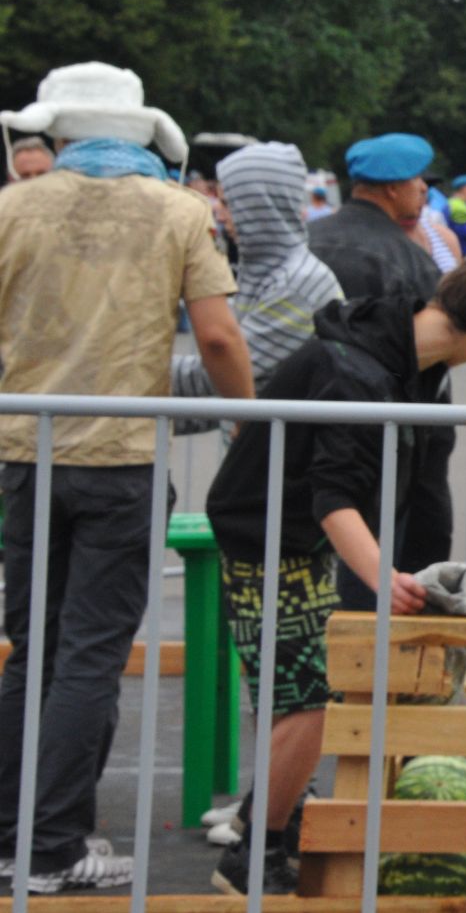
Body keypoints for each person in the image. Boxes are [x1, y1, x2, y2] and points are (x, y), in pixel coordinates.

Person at [0, 62, 253, 893]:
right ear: (143, 133)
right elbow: (217, 337)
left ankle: (12, 831)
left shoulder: (13, 204)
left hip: (24, 452)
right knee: (90, 654)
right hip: (121, 456)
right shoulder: (179, 211)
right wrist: (246, 414)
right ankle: (53, 844)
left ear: (61, 131)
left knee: (30, 648)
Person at [202, 255, 466, 894]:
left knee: (298, 690)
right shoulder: (359, 375)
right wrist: (386, 575)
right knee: (311, 697)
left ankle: (271, 826)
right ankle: (251, 854)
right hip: (266, 532)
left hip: (284, 528)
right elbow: (333, 497)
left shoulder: (402, 338)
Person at [307, 134, 457, 610]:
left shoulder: (309, 239)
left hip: (306, 418)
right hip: (392, 435)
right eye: (416, 181)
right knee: (391, 549)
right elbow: (442, 339)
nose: (423, 191)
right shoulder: (409, 258)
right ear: (393, 188)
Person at [172, 143, 344, 415]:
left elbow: (218, 373)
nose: (218, 212)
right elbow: (237, 396)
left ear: (258, 208)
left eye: (228, 203)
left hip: (282, 455)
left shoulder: (298, 285)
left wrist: (122, 367)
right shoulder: (271, 272)